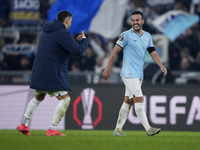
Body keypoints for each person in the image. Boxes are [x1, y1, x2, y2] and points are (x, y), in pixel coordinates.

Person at [16, 10, 89, 136]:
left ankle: (23, 124)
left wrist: (74, 42)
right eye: (70, 22)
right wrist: (84, 41)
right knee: (65, 100)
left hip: (39, 71)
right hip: (52, 72)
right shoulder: (62, 33)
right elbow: (77, 51)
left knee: (38, 97)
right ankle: (52, 128)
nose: (71, 24)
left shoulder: (47, 31)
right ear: (66, 21)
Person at [102, 11, 167, 136]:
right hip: (128, 73)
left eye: (137, 20)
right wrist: (107, 69)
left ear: (142, 21)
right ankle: (148, 129)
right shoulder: (125, 35)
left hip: (138, 74)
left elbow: (153, 52)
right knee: (139, 98)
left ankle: (118, 130)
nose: (135, 22)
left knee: (128, 101)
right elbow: (114, 52)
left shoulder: (147, 36)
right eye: (133, 20)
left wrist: (161, 65)